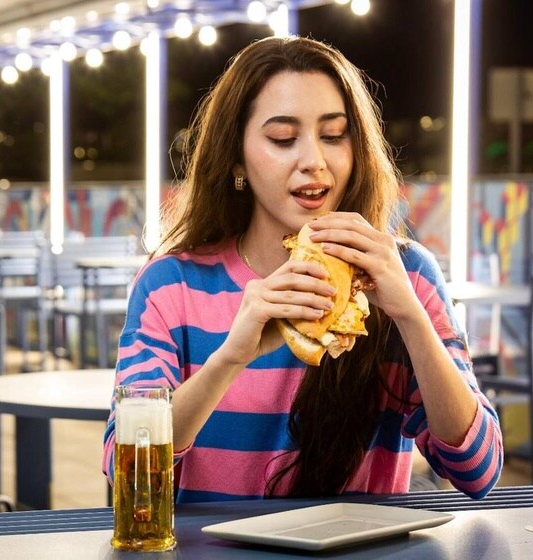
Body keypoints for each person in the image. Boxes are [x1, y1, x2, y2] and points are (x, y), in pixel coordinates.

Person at [103, 36, 503, 502]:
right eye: (282, 139)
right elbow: (124, 472)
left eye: (334, 135)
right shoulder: (169, 284)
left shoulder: (403, 272)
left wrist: (411, 317)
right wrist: (231, 357)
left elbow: (478, 471)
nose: (314, 161)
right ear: (236, 156)